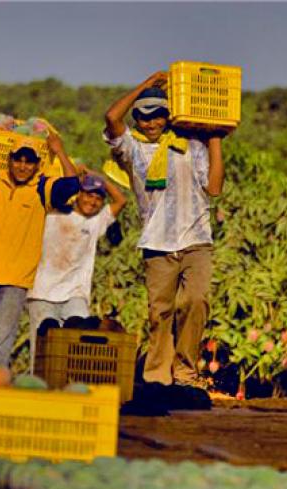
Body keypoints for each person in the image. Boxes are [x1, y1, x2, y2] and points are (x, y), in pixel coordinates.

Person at [104, 71, 225, 387]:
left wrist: (215, 140)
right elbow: (111, 116)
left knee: (196, 303)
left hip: (196, 240)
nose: (151, 123)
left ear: (168, 116)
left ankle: (185, 371)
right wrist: (145, 86)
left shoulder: (190, 146)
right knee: (160, 314)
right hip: (157, 244)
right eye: (144, 117)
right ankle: (158, 376)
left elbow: (213, 188)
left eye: (158, 115)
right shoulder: (132, 148)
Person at [0, 118, 79, 368]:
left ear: (37, 164)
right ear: (8, 159)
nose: (22, 166)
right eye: (17, 159)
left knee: (3, 334)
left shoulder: (43, 188)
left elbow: (72, 184)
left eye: (28, 161)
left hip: (16, 276)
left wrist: (60, 152)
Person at [27, 168, 127, 367]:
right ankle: (38, 393)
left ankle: (70, 392)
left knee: (80, 346)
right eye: (88, 194)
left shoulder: (96, 222)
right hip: (42, 293)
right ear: (78, 194)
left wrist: (98, 177)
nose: (93, 201)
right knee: (41, 349)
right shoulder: (53, 213)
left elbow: (120, 201)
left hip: (75, 294)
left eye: (98, 198)